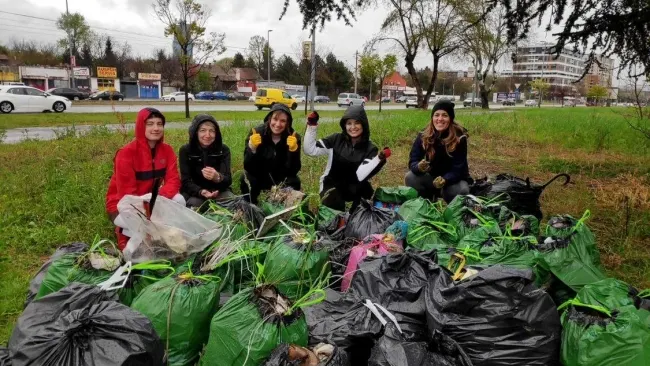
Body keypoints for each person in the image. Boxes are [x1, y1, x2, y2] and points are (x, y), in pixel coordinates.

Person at [105, 107, 183, 251]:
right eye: (150, 124)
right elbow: (126, 195)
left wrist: (158, 199)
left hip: (152, 201)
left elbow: (173, 181)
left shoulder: (167, 151)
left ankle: (155, 233)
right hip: (124, 206)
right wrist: (150, 211)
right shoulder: (126, 153)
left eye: (159, 124)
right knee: (146, 230)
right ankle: (123, 233)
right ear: (141, 126)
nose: (156, 128)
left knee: (179, 200)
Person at [303, 105, 390, 211]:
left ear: (364, 124)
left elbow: (361, 174)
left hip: (355, 185)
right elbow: (310, 149)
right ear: (344, 125)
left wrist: (379, 159)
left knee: (364, 206)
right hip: (331, 184)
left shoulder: (370, 148)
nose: (353, 127)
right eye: (349, 123)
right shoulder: (336, 139)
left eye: (357, 123)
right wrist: (312, 126)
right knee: (335, 212)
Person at [405, 100, 470, 203]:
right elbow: (413, 160)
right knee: (410, 177)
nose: (440, 119)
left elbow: (459, 168)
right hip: (431, 179)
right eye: (436, 115)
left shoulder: (460, 137)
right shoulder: (423, 134)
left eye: (445, 115)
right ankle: (427, 202)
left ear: (450, 118)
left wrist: (445, 179)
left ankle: (451, 205)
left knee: (462, 190)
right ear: (432, 118)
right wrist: (418, 167)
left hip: (451, 181)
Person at [241, 103, 301, 204]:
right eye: (275, 119)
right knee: (246, 177)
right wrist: (252, 148)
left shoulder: (294, 137)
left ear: (288, 123)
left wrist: (293, 150)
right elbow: (248, 167)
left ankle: (285, 209)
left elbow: (293, 171)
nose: (278, 124)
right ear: (269, 119)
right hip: (260, 177)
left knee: (295, 181)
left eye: (283, 121)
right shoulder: (256, 133)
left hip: (281, 179)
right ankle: (250, 206)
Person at [179, 114, 234, 210]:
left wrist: (218, 177)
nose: (207, 135)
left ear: (216, 133)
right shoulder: (186, 150)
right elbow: (186, 181)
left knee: (232, 202)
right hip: (196, 193)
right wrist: (201, 191)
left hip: (219, 191)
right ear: (196, 132)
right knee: (195, 206)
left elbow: (228, 180)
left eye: (211, 131)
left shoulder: (223, 150)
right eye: (203, 130)